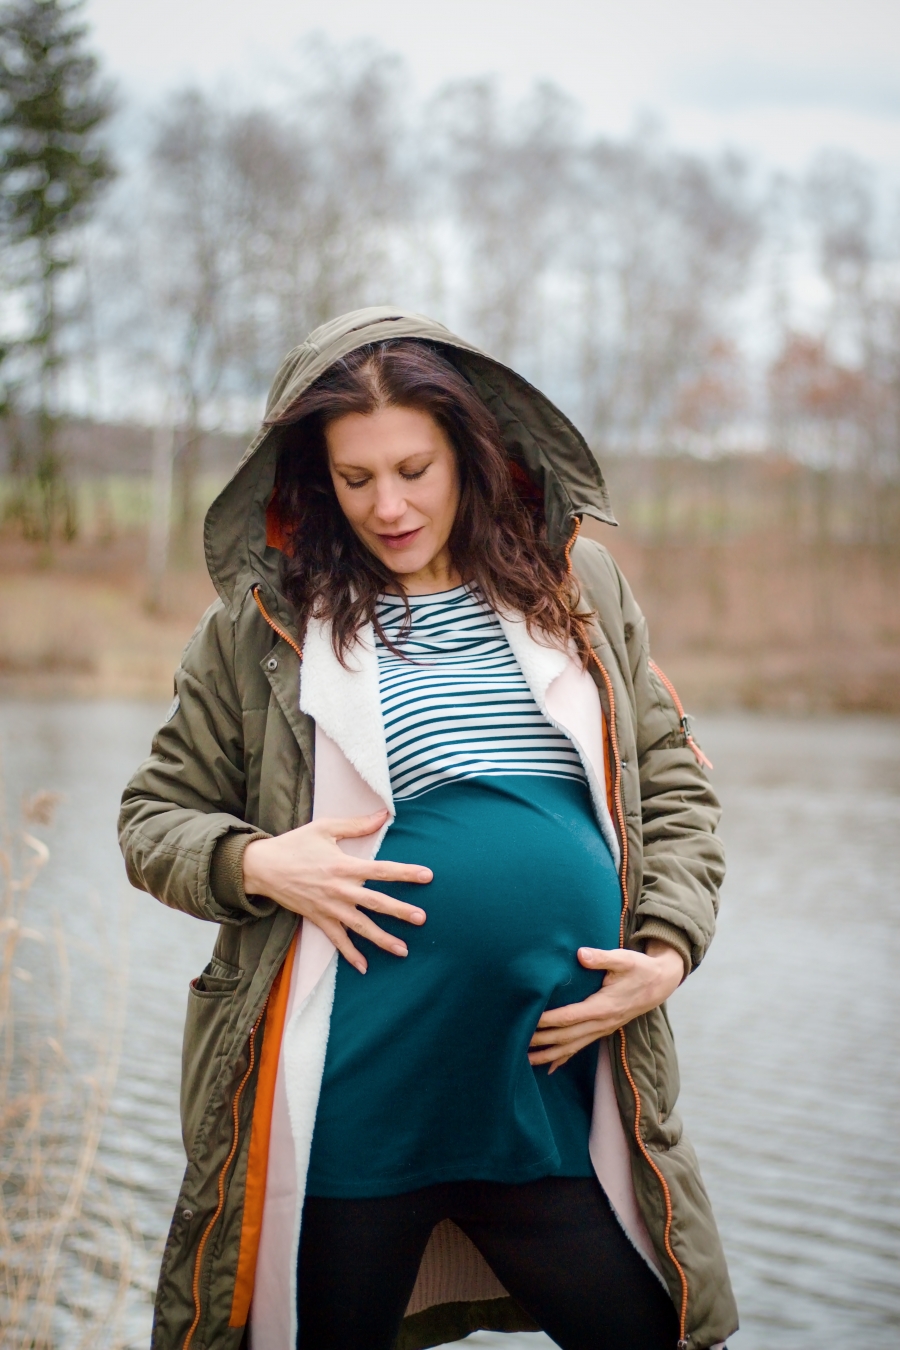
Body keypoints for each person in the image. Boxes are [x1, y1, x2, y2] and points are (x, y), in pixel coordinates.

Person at [119, 307, 738, 1350]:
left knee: (667, 1334)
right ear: (317, 479)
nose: (389, 506)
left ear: (472, 452)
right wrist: (259, 860)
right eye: (356, 480)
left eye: (414, 469)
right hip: (359, 1095)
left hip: (538, 1090)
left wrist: (669, 952)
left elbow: (673, 787)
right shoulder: (265, 626)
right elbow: (151, 819)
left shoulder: (574, 589)